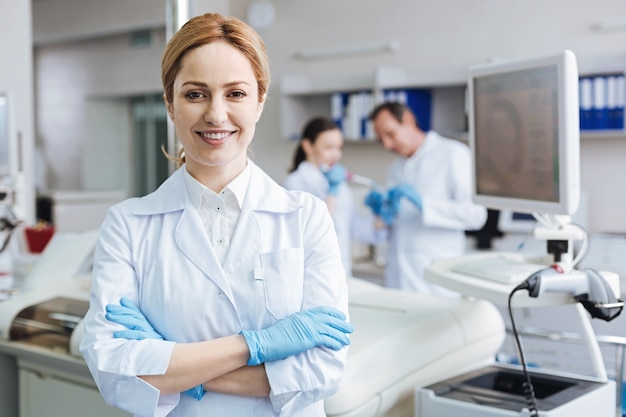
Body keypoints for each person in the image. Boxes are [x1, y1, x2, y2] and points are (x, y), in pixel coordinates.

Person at [79, 13, 353, 417]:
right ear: (170, 104)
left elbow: (320, 371)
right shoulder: (128, 224)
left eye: (236, 94)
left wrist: (170, 364)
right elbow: (113, 371)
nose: (216, 114)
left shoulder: (305, 217)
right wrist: (256, 346)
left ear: (260, 101)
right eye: (195, 94)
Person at [365, 101, 487, 296]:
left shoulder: (452, 154)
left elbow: (476, 215)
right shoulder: (394, 170)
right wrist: (382, 215)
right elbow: (397, 228)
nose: (387, 144)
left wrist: (424, 205)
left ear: (408, 120)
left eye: (390, 134)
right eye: (381, 140)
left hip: (436, 283)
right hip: (398, 279)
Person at [283, 117, 359, 277]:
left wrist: (380, 218)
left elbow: (350, 227)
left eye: (339, 147)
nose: (336, 154)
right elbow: (317, 228)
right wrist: (332, 193)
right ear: (307, 146)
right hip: (314, 272)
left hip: (343, 270)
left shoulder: (338, 183)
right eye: (329, 147)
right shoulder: (294, 183)